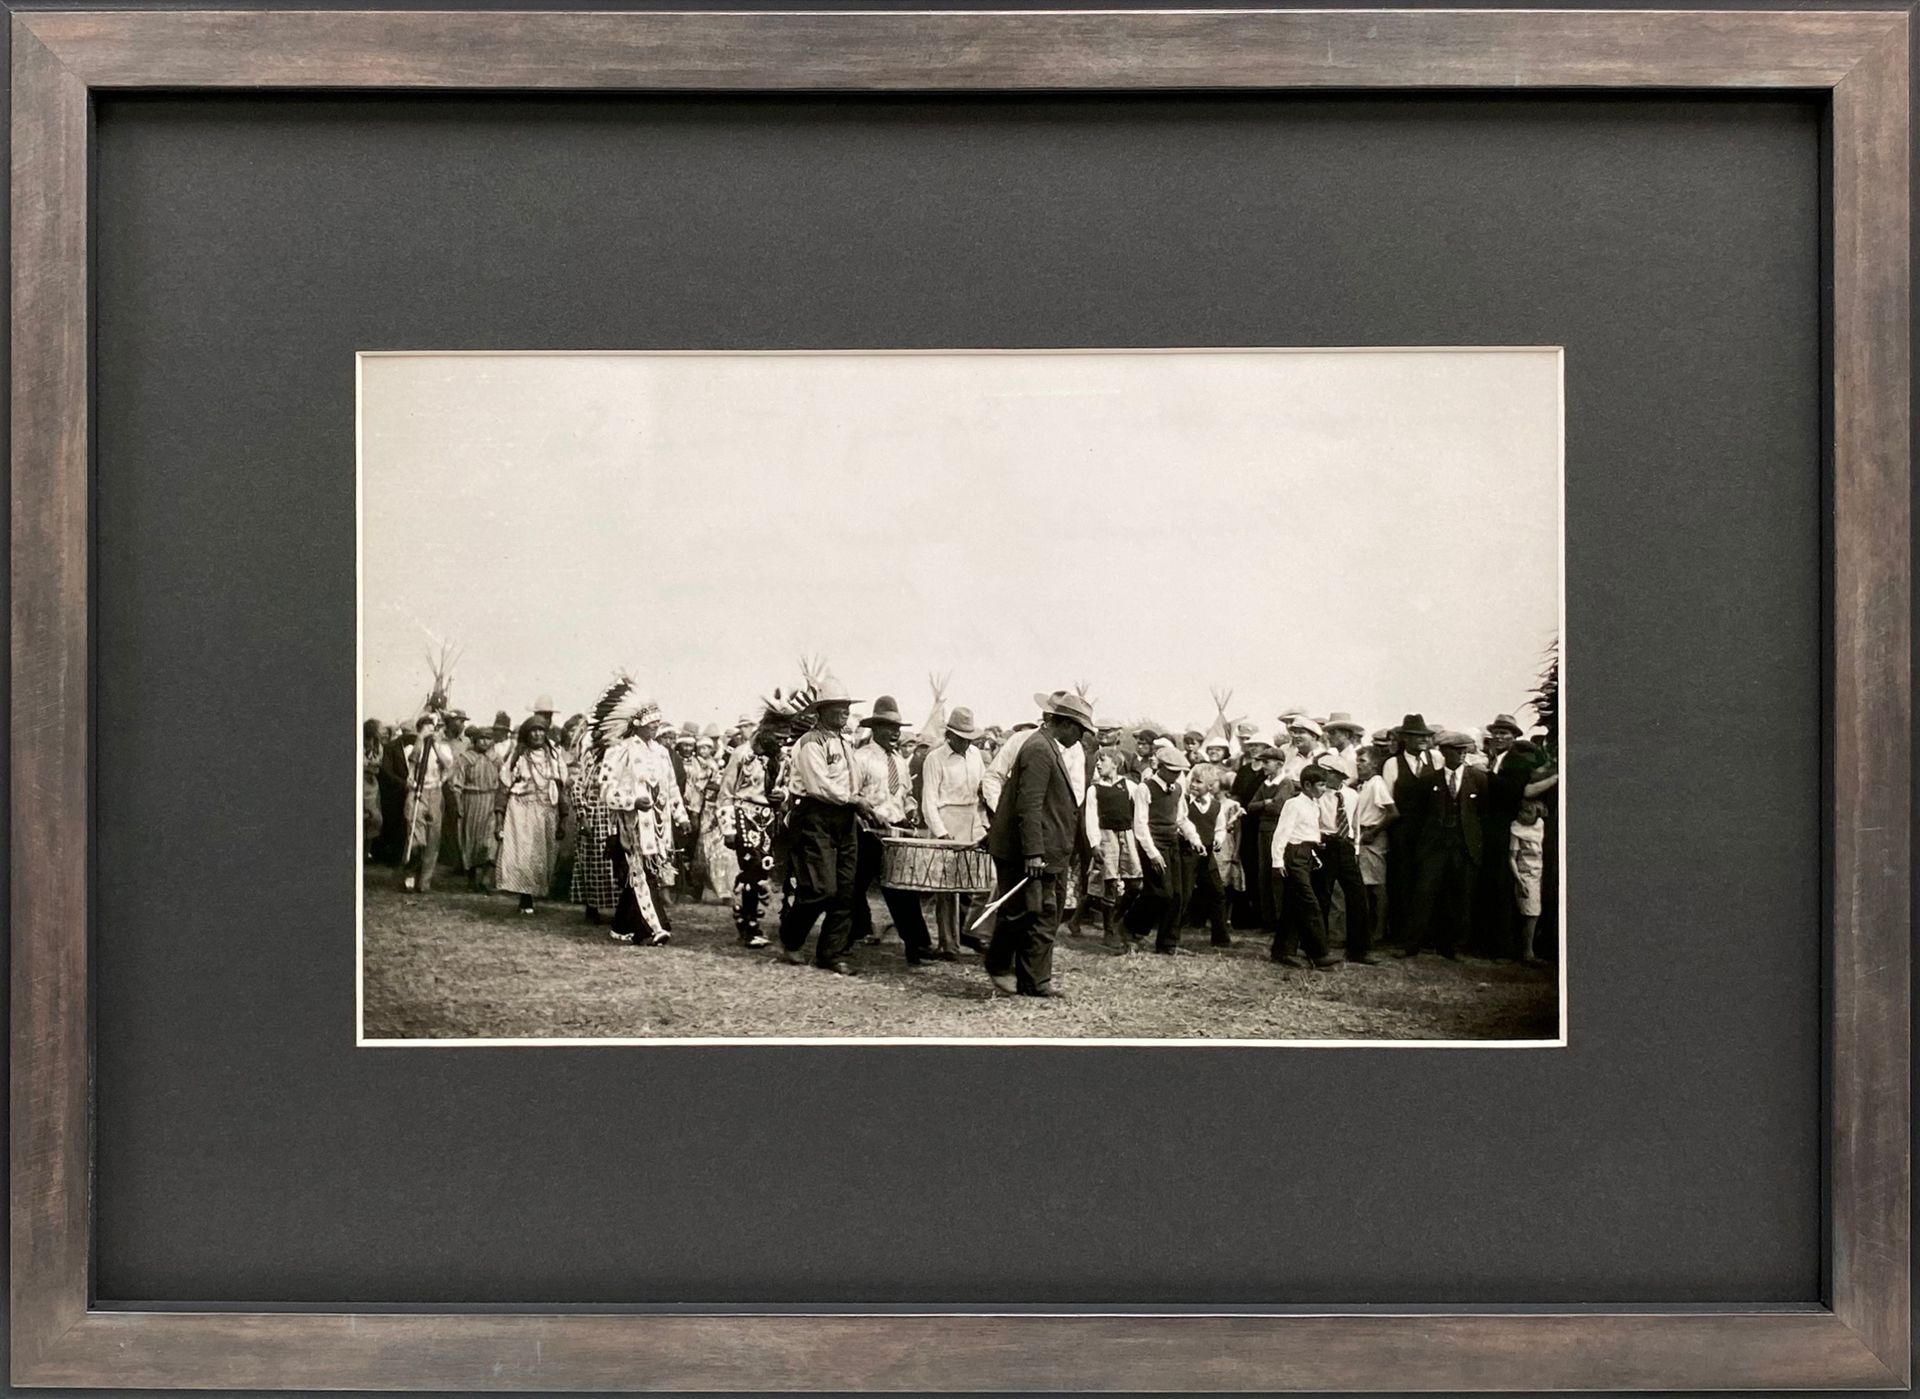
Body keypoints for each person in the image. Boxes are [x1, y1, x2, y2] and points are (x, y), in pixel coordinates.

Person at [984, 691, 1093, 997]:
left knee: (1044, 914)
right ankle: (1000, 965)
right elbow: (1028, 805)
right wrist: (1033, 852)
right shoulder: (1039, 749)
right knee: (1022, 912)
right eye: (1081, 730)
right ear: (1067, 724)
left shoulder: (1049, 747)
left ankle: (1034, 981)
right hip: (1027, 851)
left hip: (1048, 848)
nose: (1082, 737)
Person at [777, 680, 874, 975]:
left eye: (846, 707)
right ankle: (791, 938)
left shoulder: (846, 743)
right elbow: (819, 786)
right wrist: (854, 800)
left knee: (846, 888)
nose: (845, 712)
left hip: (844, 817)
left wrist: (860, 803)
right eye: (839, 707)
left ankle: (830, 953)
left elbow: (852, 781)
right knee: (820, 888)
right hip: (815, 816)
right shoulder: (810, 743)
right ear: (823, 711)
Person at [849, 695, 940, 965]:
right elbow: (851, 795)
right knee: (853, 887)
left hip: (896, 829)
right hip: (867, 831)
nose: (895, 733)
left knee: (902, 888)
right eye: (889, 728)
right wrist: (868, 815)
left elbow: (906, 795)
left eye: (897, 728)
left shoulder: (899, 760)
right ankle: (847, 937)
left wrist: (912, 810)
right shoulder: (861, 758)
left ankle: (917, 945)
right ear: (875, 728)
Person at [600, 701, 684, 945]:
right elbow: (606, 789)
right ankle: (653, 928)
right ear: (637, 725)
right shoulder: (620, 750)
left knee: (647, 873)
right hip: (632, 824)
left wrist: (681, 816)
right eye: (650, 724)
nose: (655, 729)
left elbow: (670, 786)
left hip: (658, 824)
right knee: (640, 872)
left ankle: (621, 925)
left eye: (657, 724)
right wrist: (632, 801)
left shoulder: (660, 751)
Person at [716, 699, 797, 948]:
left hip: (769, 819)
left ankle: (747, 920)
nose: (783, 742)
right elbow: (726, 793)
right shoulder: (743, 754)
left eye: (786, 737)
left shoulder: (783, 760)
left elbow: (788, 789)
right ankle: (749, 926)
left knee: (760, 872)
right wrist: (728, 829)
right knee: (753, 871)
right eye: (779, 737)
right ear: (766, 732)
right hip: (744, 815)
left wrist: (781, 796)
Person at [1399, 729, 1486, 959]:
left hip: (1464, 845)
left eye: (1463, 751)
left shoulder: (1477, 778)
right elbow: (1418, 814)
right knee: (1424, 893)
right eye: (1455, 751)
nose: (1460, 755)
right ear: (1444, 752)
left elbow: (1482, 814)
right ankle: (1412, 945)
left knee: (1459, 896)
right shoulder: (1430, 780)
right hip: (1435, 846)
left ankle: (1452, 947)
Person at [919, 706, 990, 955]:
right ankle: (948, 943)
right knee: (947, 889)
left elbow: (983, 792)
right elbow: (928, 800)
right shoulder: (935, 758)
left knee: (978, 883)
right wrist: (941, 833)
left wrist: (985, 823)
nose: (965, 743)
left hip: (972, 821)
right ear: (950, 735)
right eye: (960, 737)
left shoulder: (976, 756)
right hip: (947, 819)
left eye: (969, 738)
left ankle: (969, 932)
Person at [1125, 747, 1203, 954]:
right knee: (1159, 893)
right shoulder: (1145, 788)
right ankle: (1132, 931)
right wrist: (1153, 854)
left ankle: (1168, 943)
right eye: (1172, 771)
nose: (1177, 776)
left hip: (1172, 843)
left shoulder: (1177, 788)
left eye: (1179, 772)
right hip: (1152, 843)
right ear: (1159, 767)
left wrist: (1194, 838)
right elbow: (1140, 825)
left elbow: (1181, 818)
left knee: (1177, 894)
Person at [1269, 764, 1340, 969]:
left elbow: (1307, 832)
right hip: (1294, 855)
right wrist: (1278, 861)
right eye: (1321, 784)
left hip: (1307, 854)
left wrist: (1315, 849)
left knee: (1293, 906)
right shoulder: (1294, 804)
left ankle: (1282, 950)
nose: (1324, 789)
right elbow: (1282, 833)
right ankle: (1318, 953)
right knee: (1310, 904)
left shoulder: (1313, 804)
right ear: (1307, 785)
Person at [496, 714, 568, 914]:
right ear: (527, 735)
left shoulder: (554, 756)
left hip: (547, 809)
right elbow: (504, 786)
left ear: (546, 734)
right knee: (524, 854)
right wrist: (498, 819)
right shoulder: (517, 756)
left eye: (541, 731)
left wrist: (563, 817)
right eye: (533, 731)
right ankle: (525, 898)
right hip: (521, 808)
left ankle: (536, 893)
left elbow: (561, 788)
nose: (537, 734)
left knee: (543, 855)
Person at [1382, 713, 1442, 947]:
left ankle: (1424, 935)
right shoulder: (1392, 763)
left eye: (1425, 736)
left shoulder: (1435, 759)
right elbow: (1387, 799)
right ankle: (1400, 936)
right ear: (1405, 739)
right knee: (1401, 880)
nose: (1422, 741)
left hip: (1428, 830)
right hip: (1402, 830)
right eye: (1416, 737)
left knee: (1425, 881)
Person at [1073, 745, 1142, 949]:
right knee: (1109, 883)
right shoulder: (1095, 789)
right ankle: (1108, 931)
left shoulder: (1129, 786)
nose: (1098, 764)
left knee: (1135, 882)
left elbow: (1140, 811)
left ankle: (1118, 920)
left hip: (1127, 835)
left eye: (1103, 760)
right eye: (1097, 760)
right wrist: (1094, 844)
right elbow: (1091, 819)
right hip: (1106, 836)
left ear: (1115, 763)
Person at [1314, 759, 1377, 964]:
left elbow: (1355, 822)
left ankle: (1359, 950)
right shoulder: (1319, 795)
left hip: (1346, 846)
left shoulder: (1351, 795)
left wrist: (1356, 848)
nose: (1324, 777)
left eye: (1328, 773)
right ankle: (1318, 948)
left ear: (1339, 775)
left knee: (1358, 895)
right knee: (1323, 895)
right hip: (1326, 845)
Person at [1240, 746, 1294, 947]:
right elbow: (1250, 806)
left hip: (1277, 832)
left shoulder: (1286, 783)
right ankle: (1268, 920)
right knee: (1263, 874)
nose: (1263, 766)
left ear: (1279, 765)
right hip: (1263, 832)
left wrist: (1264, 804)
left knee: (1276, 874)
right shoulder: (1265, 783)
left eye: (1267, 762)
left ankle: (1280, 920)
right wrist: (1266, 803)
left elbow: (1279, 807)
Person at [400, 712, 457, 892]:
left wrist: (435, 745)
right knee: (417, 837)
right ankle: (410, 874)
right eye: (427, 727)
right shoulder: (412, 748)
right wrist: (421, 740)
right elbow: (413, 759)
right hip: (418, 791)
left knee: (433, 837)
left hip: (435, 792)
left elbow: (447, 765)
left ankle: (424, 881)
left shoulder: (444, 748)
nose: (432, 730)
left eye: (435, 727)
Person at [1352, 746, 1397, 961]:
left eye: (1362, 761)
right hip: (1363, 835)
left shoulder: (1377, 783)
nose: (1358, 765)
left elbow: (1393, 813)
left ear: (1374, 764)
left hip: (1372, 836)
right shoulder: (1364, 785)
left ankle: (1377, 934)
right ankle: (1369, 932)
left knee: (1376, 887)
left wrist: (1374, 831)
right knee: (1366, 886)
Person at [1184, 762, 1235, 948]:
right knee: (1183, 893)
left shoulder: (1216, 806)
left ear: (1210, 786)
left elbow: (1220, 828)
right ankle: (1169, 936)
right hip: (1187, 853)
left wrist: (1219, 840)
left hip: (1207, 855)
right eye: (1192, 781)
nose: (1193, 785)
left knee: (1217, 892)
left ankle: (1220, 937)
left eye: (1198, 782)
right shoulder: (1184, 802)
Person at [453, 724, 503, 891]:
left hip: (491, 801)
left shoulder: (497, 759)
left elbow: (504, 782)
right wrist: (459, 804)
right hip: (471, 802)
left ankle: (486, 879)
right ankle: (472, 878)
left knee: (491, 842)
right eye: (481, 738)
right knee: (471, 841)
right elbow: (457, 784)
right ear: (474, 740)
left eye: (488, 738)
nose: (484, 741)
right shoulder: (465, 758)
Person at [1510, 797, 1548, 967]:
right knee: (1531, 913)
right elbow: (1511, 858)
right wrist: (1519, 881)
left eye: (1529, 812)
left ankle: (1528, 950)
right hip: (1525, 875)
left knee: (1534, 913)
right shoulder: (1516, 829)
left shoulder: (1539, 825)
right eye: (1522, 810)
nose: (1523, 815)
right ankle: (1527, 952)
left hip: (1538, 872)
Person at [361, 718, 385, 862]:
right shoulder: (360, 743)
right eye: (379, 728)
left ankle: (366, 851)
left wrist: (370, 766)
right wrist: (371, 766)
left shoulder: (378, 746)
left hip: (372, 784)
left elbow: (377, 766)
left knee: (375, 818)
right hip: (361, 781)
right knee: (363, 816)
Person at [1320, 712, 1365, 782]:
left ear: (1346, 735)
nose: (1328, 737)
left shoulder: (1351, 758)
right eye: (1328, 733)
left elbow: (1350, 781)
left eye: (1333, 733)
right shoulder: (1340, 755)